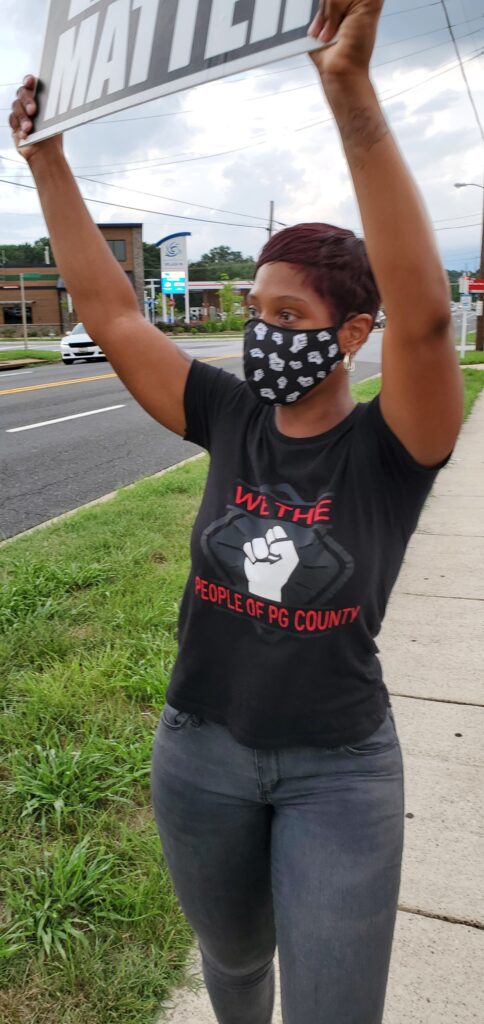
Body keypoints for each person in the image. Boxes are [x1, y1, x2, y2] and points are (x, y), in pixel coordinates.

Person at [10, 2, 462, 1021]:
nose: (262, 336)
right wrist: (47, 163)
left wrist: (347, 91)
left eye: (289, 318)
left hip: (339, 768)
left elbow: (429, 325)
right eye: (254, 312)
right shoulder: (227, 415)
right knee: (234, 961)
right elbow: (113, 312)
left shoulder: (393, 450)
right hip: (198, 747)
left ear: (351, 334)